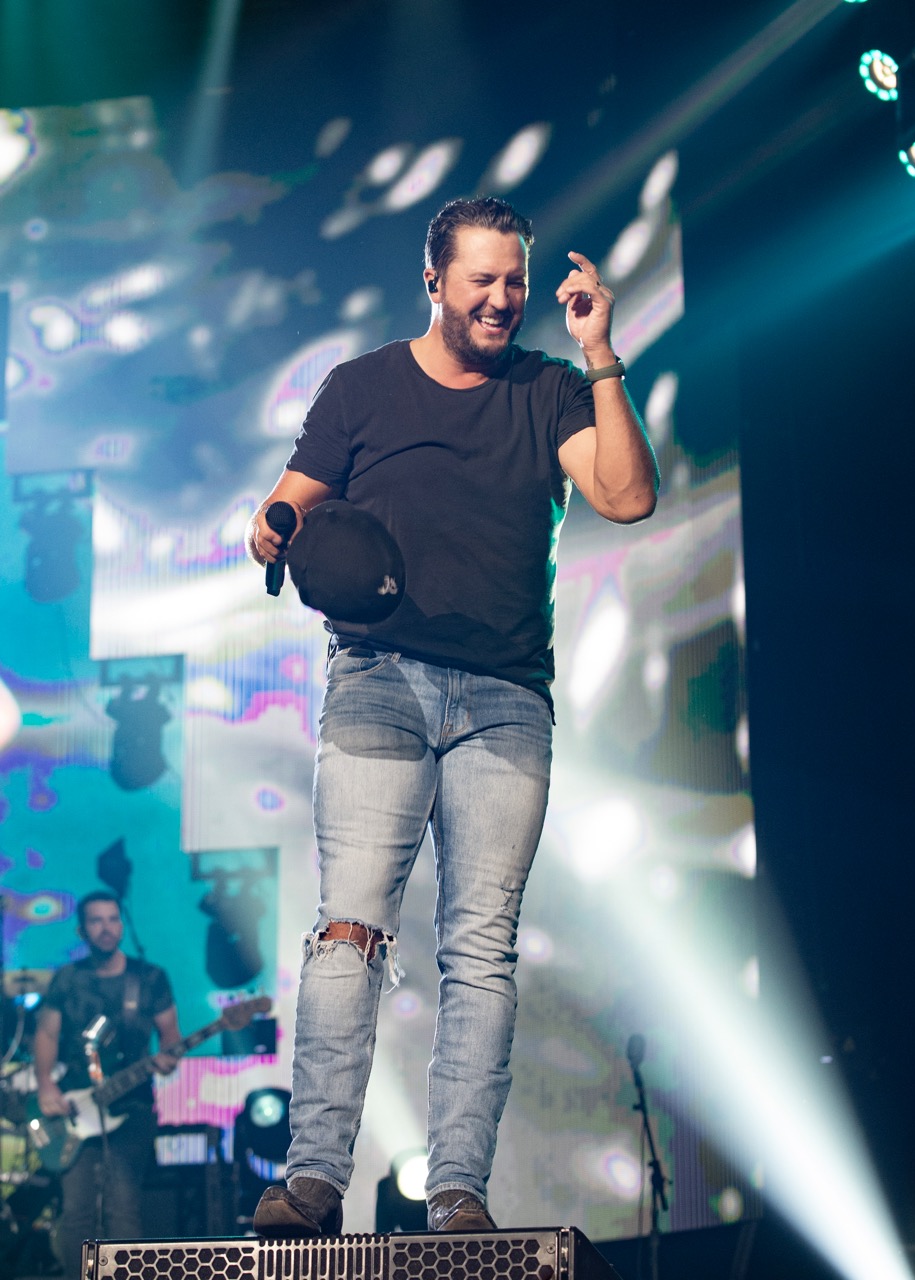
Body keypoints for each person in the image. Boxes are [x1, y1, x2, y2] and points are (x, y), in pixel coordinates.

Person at [246, 196, 659, 1236]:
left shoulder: (551, 389)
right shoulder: (362, 388)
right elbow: (285, 505)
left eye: (514, 280)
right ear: (433, 281)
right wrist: (274, 530)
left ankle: (457, 1191)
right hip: (378, 680)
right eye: (482, 279)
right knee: (349, 930)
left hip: (504, 701)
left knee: (480, 952)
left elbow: (625, 496)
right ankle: (311, 1179)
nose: (501, 297)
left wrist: (599, 353)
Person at [33, 891, 181, 1273]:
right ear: (82, 930)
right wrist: (45, 1084)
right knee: (77, 1211)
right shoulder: (68, 979)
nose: (106, 928)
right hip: (75, 1107)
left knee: (123, 1207)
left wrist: (168, 1057)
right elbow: (47, 1033)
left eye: (113, 919)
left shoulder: (149, 977)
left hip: (133, 1107)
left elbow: (170, 1035)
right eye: (96, 920)